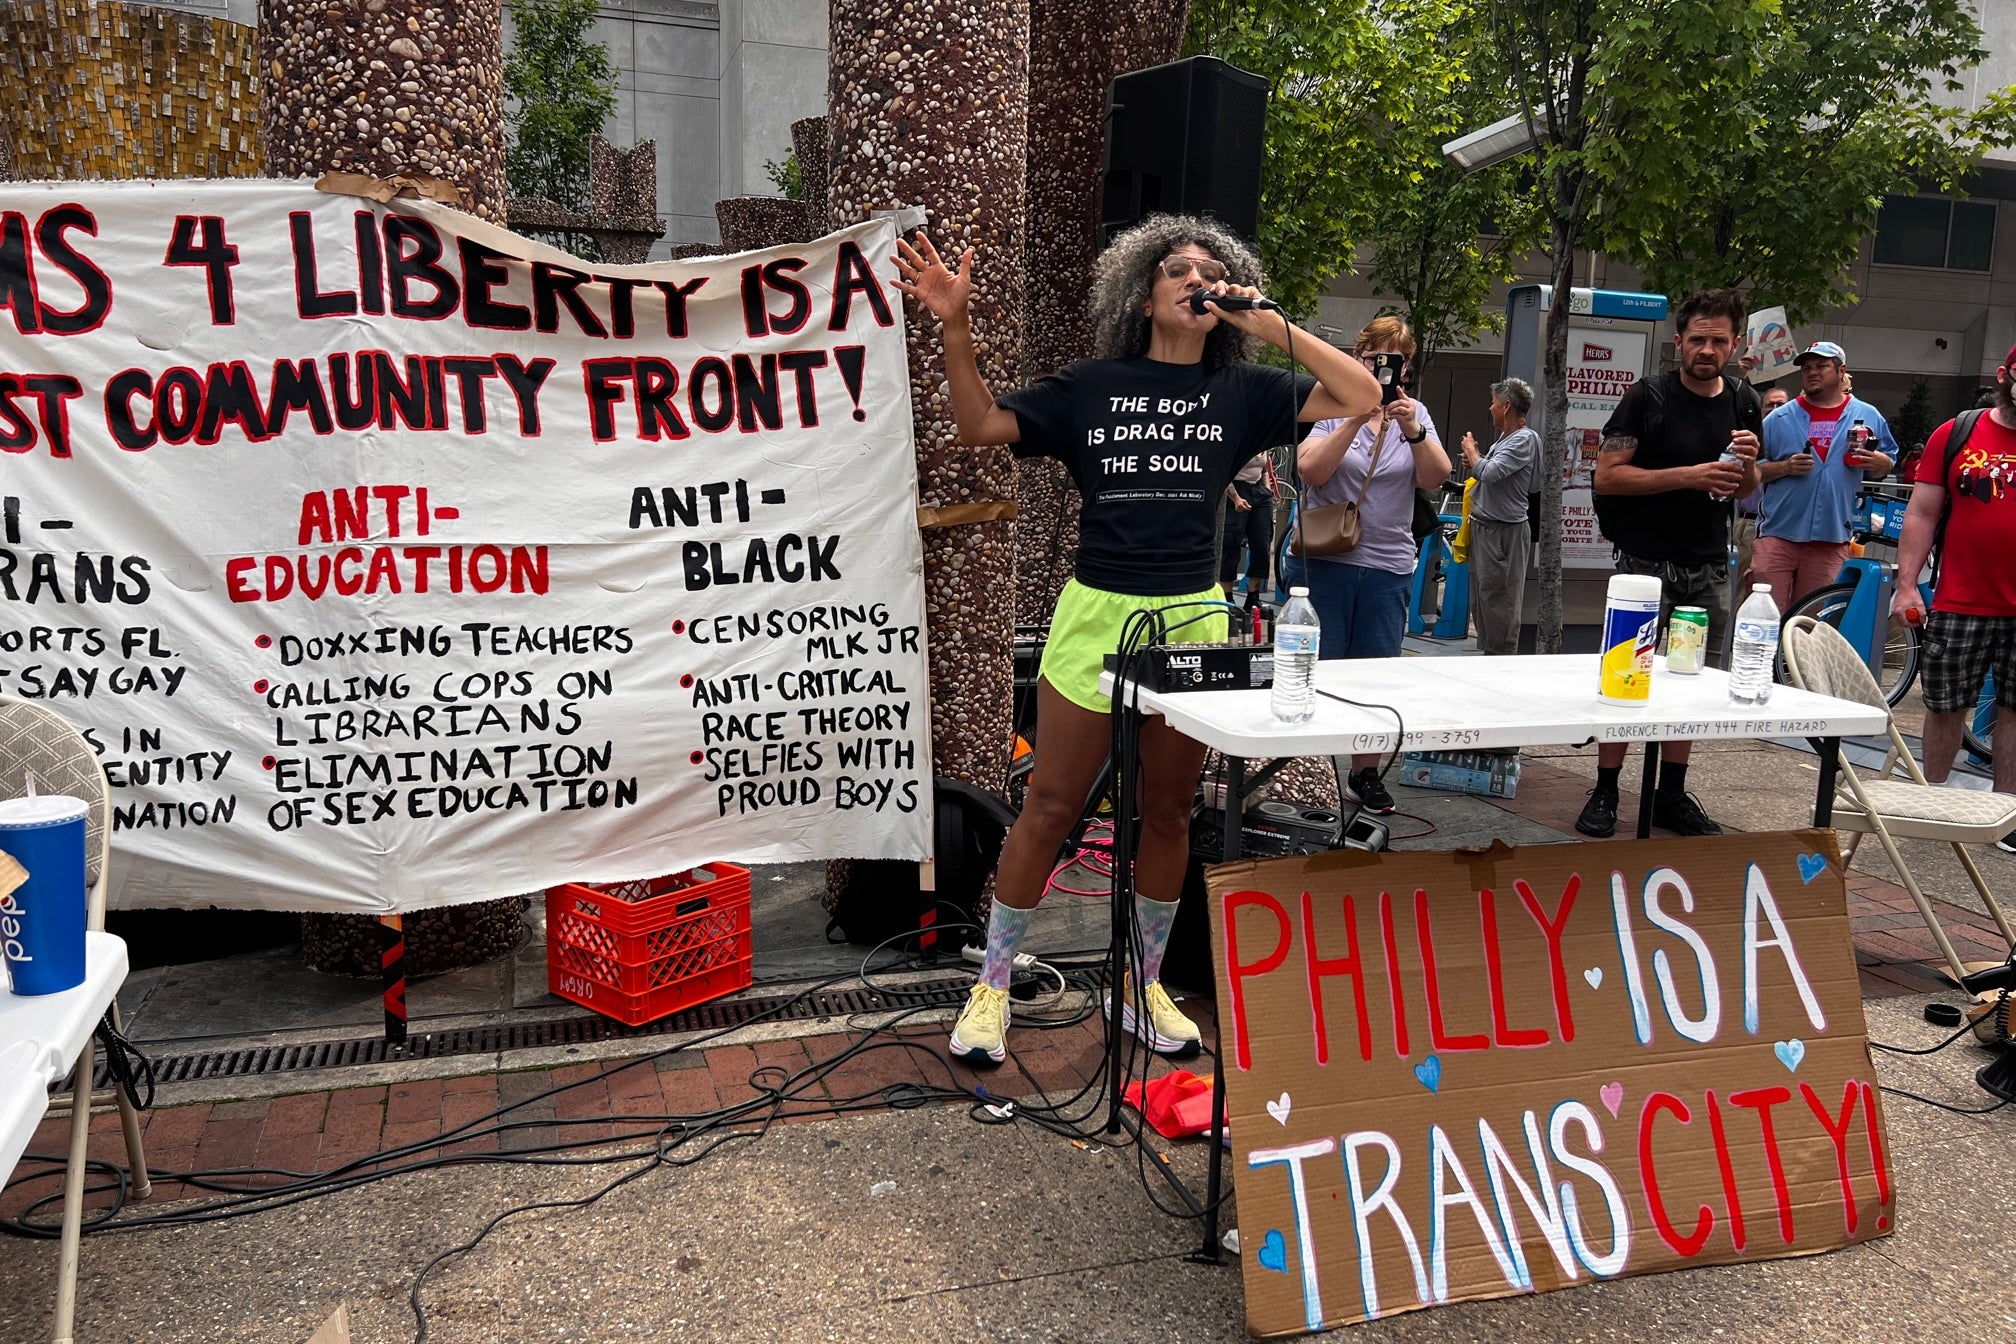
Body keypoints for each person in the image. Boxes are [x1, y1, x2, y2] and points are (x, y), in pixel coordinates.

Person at [891, 218, 1382, 1066]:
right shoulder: (1093, 385)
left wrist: (1265, 323)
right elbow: (978, 425)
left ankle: (1141, 983)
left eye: (1213, 270)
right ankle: (993, 984)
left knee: (1164, 812)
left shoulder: (1248, 390)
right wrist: (956, 325)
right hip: (1096, 613)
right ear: (1143, 294)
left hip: (1191, 616)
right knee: (1051, 807)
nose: (1198, 277)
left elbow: (1363, 397)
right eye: (1177, 268)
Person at [1578, 288, 1762, 839]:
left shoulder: (1744, 401)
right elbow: (1607, 476)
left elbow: (1746, 488)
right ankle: (1606, 789)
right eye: (1698, 339)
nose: (1707, 350)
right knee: (1624, 678)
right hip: (1643, 568)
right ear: (1679, 341)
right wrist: (1690, 474)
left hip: (1707, 566)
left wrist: (1750, 464)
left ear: (1734, 345)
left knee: (1692, 684)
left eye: (1719, 341)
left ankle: (1671, 795)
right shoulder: (1647, 396)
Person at [1283, 316, 1451, 813]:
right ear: (1355, 359)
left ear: (1407, 367)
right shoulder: (1327, 404)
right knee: (1313, 670)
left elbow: (1435, 477)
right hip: (1324, 560)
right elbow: (1310, 468)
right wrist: (1357, 414)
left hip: (1387, 563)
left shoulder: (1413, 412)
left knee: (1375, 675)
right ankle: (1305, 769)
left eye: (1393, 360)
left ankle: (1365, 773)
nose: (1381, 369)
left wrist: (1411, 428)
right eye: (1372, 358)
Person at [1890, 340, 2016, 852]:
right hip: (1960, 599)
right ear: (2004, 374)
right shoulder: (1958, 431)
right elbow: (1921, 513)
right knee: (1945, 707)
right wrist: (1905, 584)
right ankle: (1932, 804)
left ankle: (2006, 815)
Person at [1751, 342, 1896, 608]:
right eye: (1806, 368)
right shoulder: (1778, 418)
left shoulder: (1867, 415)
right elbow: (1752, 471)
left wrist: (1877, 461)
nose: (1812, 372)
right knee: (1765, 618)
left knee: (1812, 624)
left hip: (1831, 538)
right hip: (1778, 535)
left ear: (1842, 370)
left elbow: (1889, 462)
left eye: (1821, 366)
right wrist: (1785, 467)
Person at [1457, 377, 1540, 654]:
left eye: (1492, 403)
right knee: (1483, 602)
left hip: (1502, 532)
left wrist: (1472, 451)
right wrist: (1477, 459)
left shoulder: (1525, 439)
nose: (1489, 408)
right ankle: (1490, 655)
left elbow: (1490, 473)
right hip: (1485, 528)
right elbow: (1488, 471)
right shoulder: (1506, 439)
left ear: (1506, 406)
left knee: (1500, 603)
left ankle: (1500, 660)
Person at [1219, 450, 1273, 605]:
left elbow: (1265, 470)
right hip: (1234, 488)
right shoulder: (1240, 440)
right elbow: (1223, 472)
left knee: (1262, 542)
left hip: (1258, 490)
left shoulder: (1264, 441)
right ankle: (1227, 596)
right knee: (1231, 542)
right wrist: (1235, 498)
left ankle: (1253, 595)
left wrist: (1267, 488)